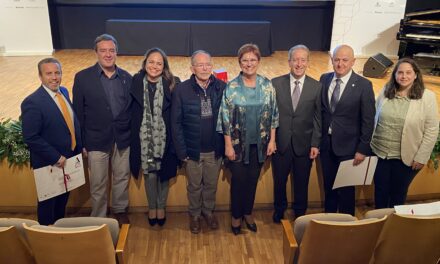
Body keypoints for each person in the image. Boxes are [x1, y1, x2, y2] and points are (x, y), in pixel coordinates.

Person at [218, 44, 279, 235]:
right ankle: (236, 217)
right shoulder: (232, 87)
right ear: (240, 63)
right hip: (237, 146)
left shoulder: (267, 85)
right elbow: (225, 118)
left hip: (259, 145)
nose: (249, 64)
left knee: (252, 181)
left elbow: (274, 114)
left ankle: (248, 213)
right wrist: (228, 146)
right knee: (238, 182)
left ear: (259, 62)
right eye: (245, 60)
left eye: (253, 60)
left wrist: (272, 141)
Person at [73, 34, 132, 224]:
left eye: (112, 50)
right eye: (103, 50)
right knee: (98, 183)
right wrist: (81, 143)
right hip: (95, 139)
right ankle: (98, 217)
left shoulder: (126, 78)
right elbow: (78, 113)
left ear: (116, 52)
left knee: (121, 177)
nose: (108, 54)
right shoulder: (82, 78)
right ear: (96, 52)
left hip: (122, 138)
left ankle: (120, 210)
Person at [21, 58, 82, 225]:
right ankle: (45, 239)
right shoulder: (32, 102)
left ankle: (58, 233)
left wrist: (80, 146)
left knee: (62, 200)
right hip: (49, 163)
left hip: (68, 158)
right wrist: (56, 157)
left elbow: (72, 121)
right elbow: (30, 136)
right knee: (48, 204)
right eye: (49, 74)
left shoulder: (63, 91)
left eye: (57, 73)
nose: (54, 77)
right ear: (40, 76)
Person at [371, 58, 439, 208]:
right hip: (379, 153)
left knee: (397, 195)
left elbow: (432, 130)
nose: (404, 76)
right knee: (380, 192)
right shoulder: (385, 91)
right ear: (394, 75)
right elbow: (373, 116)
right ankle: (378, 225)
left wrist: (422, 156)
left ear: (416, 75)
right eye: (400, 72)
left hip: (406, 158)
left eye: (408, 72)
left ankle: (393, 228)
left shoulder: (427, 97)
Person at [171, 50, 225, 234]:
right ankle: (194, 214)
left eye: (208, 64)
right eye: (200, 65)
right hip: (192, 151)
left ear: (212, 66)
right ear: (192, 68)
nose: (204, 68)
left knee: (211, 185)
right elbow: (175, 123)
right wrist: (181, 150)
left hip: (215, 149)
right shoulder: (181, 89)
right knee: (194, 186)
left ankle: (208, 212)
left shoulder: (222, 87)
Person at [319, 44, 375, 216]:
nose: (340, 64)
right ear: (331, 60)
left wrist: (362, 149)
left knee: (346, 191)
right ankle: (328, 220)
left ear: (353, 62)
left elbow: (368, 120)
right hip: (326, 145)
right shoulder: (324, 79)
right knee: (329, 187)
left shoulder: (364, 85)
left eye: (345, 60)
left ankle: (346, 225)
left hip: (350, 148)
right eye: (336, 59)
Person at [271, 45, 322, 222]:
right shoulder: (275, 83)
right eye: (295, 60)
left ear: (308, 62)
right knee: (279, 181)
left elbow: (318, 118)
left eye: (302, 60)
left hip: (304, 144)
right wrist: (271, 140)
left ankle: (300, 212)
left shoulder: (317, 87)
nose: (299, 64)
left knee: (302, 182)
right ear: (289, 62)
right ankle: (279, 209)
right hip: (281, 143)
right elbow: (271, 114)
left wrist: (315, 143)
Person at [129, 48, 180, 226]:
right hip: (144, 138)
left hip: (166, 138)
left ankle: (161, 207)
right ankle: (152, 207)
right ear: (145, 63)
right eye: (151, 62)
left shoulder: (173, 83)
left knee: (164, 173)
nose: (154, 66)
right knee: (150, 174)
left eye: (159, 63)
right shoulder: (135, 81)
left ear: (164, 66)